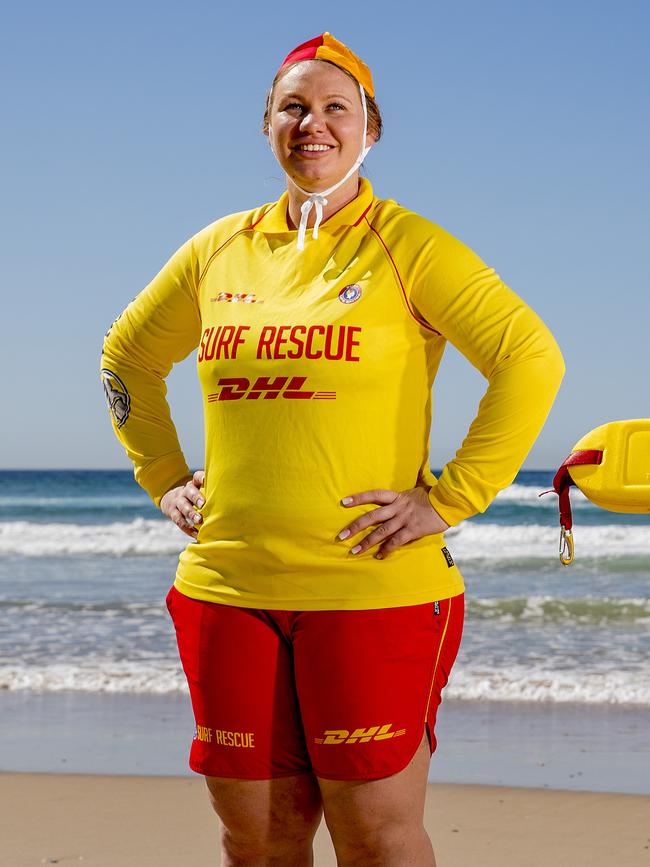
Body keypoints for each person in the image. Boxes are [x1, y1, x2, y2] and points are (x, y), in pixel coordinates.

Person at [101, 32, 564, 867]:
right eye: (293, 107)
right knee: (258, 839)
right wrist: (162, 473)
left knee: (377, 840)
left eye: (334, 108)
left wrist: (452, 496)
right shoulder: (219, 249)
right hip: (227, 588)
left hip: (372, 591)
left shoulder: (408, 244)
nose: (313, 124)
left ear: (370, 131)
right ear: (268, 126)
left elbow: (530, 356)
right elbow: (125, 356)